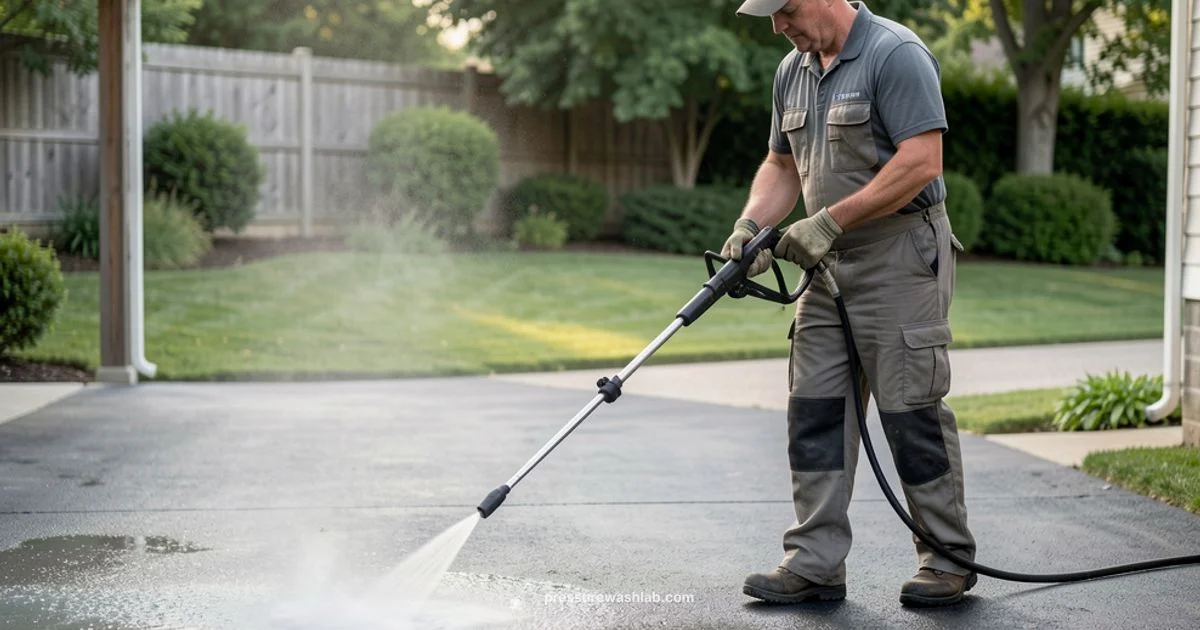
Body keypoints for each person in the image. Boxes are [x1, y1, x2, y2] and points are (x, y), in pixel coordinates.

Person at [723, 0, 977, 608]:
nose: (778, 25)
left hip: (900, 256)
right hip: (826, 265)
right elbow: (781, 164)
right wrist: (751, 224)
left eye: (783, 10)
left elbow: (922, 162)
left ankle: (946, 559)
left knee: (910, 407)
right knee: (814, 407)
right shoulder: (793, 69)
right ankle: (813, 562)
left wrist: (829, 221)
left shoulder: (896, 53)